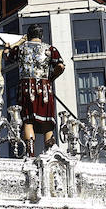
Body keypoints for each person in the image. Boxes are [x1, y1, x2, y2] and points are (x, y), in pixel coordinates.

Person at [8, 24, 65, 156]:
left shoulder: (21, 48)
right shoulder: (50, 49)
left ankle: (30, 154)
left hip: (26, 87)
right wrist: (51, 78)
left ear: (28, 35)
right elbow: (60, 66)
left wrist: (14, 44)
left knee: (28, 121)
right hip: (45, 88)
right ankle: (50, 155)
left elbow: (8, 55)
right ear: (41, 35)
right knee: (47, 123)